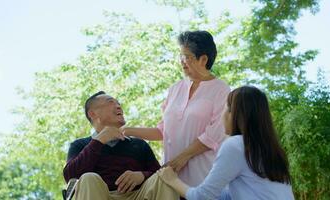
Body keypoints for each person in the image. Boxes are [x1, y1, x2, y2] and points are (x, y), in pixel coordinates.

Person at [121, 30, 231, 187]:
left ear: (204, 59)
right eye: (181, 56)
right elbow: (162, 131)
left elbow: (214, 135)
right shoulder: (175, 89)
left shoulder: (221, 90)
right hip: (172, 178)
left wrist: (182, 158)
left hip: (204, 177)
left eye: (187, 56)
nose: (182, 61)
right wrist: (127, 131)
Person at [158, 86, 295, 200]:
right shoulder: (270, 150)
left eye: (227, 107)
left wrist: (171, 179)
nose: (223, 115)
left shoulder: (235, 145)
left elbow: (201, 197)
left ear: (234, 114)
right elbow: (232, 195)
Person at [63, 91, 179, 200]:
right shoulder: (80, 145)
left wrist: (142, 175)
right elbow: (70, 176)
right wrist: (99, 141)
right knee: (88, 178)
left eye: (118, 103)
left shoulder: (139, 144)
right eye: (110, 102)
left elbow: (159, 174)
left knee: (164, 176)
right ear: (92, 113)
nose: (118, 106)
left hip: (137, 195)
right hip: (101, 195)